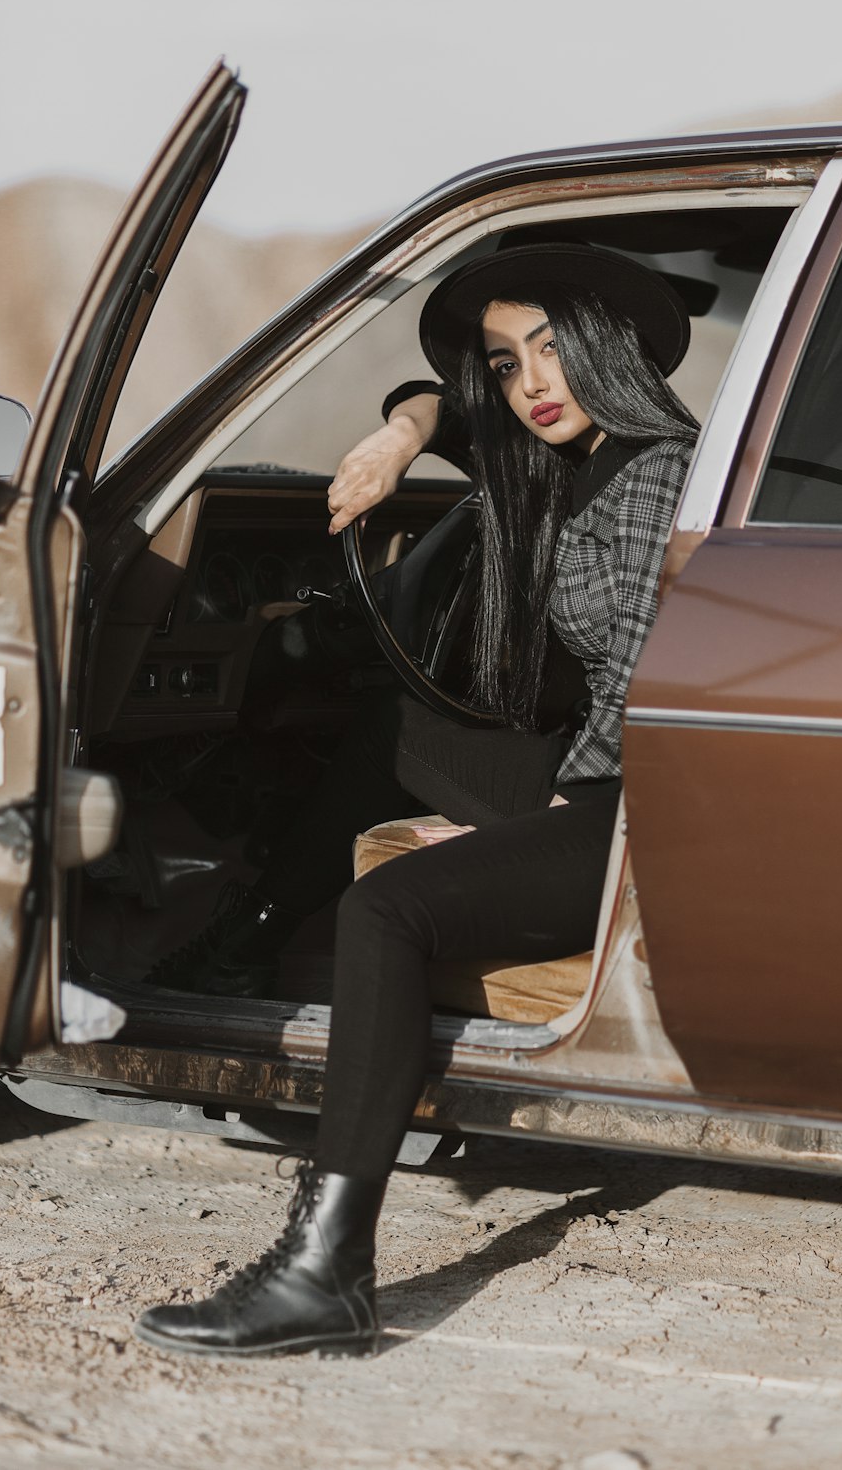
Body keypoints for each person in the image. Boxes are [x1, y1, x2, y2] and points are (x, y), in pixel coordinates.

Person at [133, 243, 699, 1357]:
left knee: (385, 908)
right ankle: (245, 942)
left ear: (607, 352)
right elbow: (440, 404)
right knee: (385, 723)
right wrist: (399, 436)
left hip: (647, 807)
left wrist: (533, 823)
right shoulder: (560, 458)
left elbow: (639, 682)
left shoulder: (654, 470)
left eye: (553, 350)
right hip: (600, 777)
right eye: (507, 361)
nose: (532, 382)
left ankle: (325, 1269)